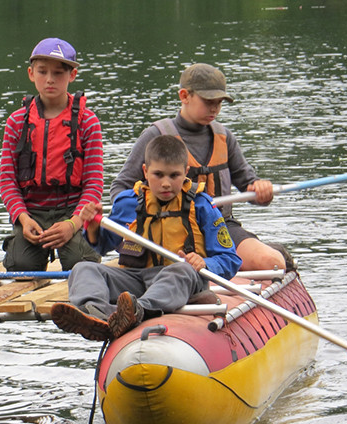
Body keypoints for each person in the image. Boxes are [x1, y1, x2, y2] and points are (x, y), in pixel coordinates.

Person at [50, 135, 241, 341]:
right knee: (83, 268)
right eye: (158, 175)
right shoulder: (128, 202)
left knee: (181, 269)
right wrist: (93, 228)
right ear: (145, 172)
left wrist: (205, 262)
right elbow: (102, 246)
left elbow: (230, 259)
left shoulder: (202, 205)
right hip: (136, 278)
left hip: (180, 279)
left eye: (174, 175)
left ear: (186, 173)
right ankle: (97, 315)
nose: (166, 184)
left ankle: (137, 312)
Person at [110, 63, 289, 272]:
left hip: (219, 228)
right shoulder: (156, 136)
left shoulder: (224, 137)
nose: (214, 108)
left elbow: (248, 184)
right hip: (169, 229)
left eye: (219, 102)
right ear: (184, 96)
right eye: (208, 101)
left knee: (273, 263)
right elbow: (119, 190)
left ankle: (255, 254)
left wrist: (260, 192)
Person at [0, 37, 104, 272]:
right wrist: (23, 219)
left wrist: (73, 223)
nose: (49, 79)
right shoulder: (16, 122)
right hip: (32, 211)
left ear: (72, 75)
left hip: (72, 209)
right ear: (31, 73)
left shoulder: (89, 122)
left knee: (81, 262)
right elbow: (7, 181)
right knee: (20, 263)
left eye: (58, 73)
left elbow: (94, 184)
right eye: (42, 71)